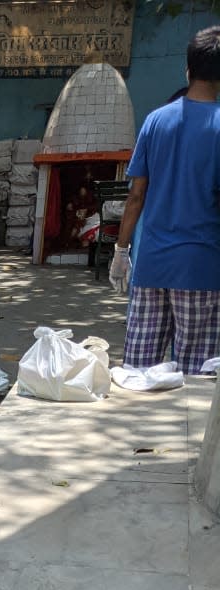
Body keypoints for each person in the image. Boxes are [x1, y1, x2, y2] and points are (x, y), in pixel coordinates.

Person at [110, 26, 220, 373]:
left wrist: (121, 252)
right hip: (202, 269)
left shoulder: (156, 120)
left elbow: (136, 196)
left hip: (151, 267)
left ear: (187, 69)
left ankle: (131, 426)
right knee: (195, 376)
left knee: (139, 370)